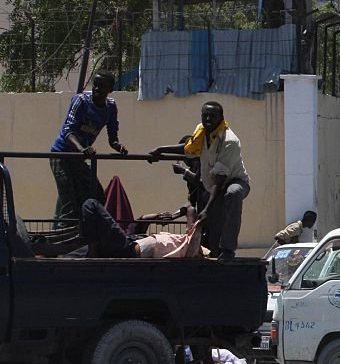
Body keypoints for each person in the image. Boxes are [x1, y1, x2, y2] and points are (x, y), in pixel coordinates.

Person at [148, 101, 250, 261]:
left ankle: (229, 250)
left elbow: (220, 178)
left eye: (212, 116)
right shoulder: (201, 131)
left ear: (221, 118)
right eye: (205, 116)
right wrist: (160, 150)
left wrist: (207, 208)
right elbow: (187, 149)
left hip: (232, 181)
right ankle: (214, 252)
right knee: (213, 227)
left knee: (233, 193)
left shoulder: (229, 141)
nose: (208, 119)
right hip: (212, 186)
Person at [49, 71, 128, 228]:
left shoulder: (111, 107)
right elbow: (68, 131)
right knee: (69, 200)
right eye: (95, 84)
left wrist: (118, 146)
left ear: (110, 90)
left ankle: (89, 232)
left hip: (79, 158)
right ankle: (60, 239)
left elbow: (112, 137)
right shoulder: (81, 101)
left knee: (96, 194)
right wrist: (82, 149)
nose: (97, 88)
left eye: (102, 86)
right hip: (61, 155)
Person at [79, 198, 203, 258]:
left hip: (129, 249)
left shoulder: (188, 246)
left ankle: (92, 252)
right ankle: (91, 251)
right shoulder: (182, 242)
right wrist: (170, 216)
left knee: (91, 204)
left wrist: (188, 213)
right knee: (78, 252)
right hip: (132, 241)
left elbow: (190, 209)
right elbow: (187, 205)